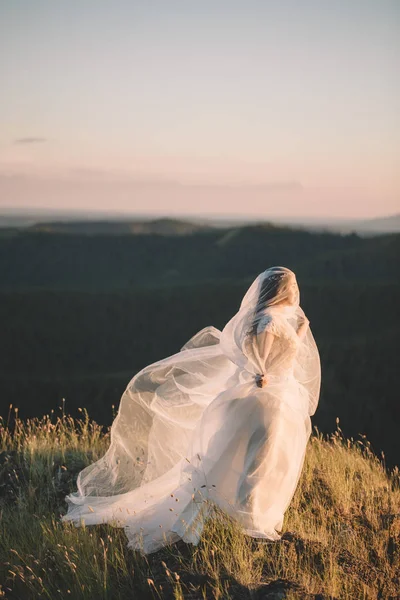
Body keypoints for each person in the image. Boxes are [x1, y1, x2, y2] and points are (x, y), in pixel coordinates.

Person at [62, 266, 321, 554]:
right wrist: (262, 373)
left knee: (248, 458)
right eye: (291, 286)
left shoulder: (276, 318)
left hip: (277, 397)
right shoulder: (269, 320)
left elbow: (285, 351)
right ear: (281, 290)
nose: (295, 291)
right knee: (258, 457)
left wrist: (300, 329)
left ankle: (241, 517)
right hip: (266, 400)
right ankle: (247, 521)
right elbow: (260, 357)